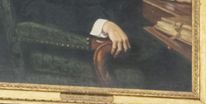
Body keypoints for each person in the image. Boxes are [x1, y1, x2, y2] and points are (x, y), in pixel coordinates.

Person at [13, 0, 190, 90]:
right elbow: (31, 7)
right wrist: (102, 24)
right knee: (176, 60)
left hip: (129, 27)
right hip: (79, 41)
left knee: (181, 56)